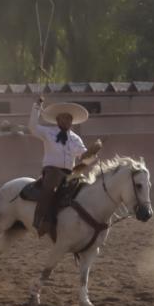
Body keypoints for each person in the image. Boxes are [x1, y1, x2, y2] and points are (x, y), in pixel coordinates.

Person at [27, 97, 99, 238]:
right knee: (51, 188)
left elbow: (83, 156)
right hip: (52, 170)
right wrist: (36, 107)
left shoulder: (75, 139)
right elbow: (32, 127)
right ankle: (41, 221)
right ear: (58, 120)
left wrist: (93, 154)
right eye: (64, 118)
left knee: (84, 189)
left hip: (69, 173)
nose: (67, 121)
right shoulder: (48, 132)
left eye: (69, 119)